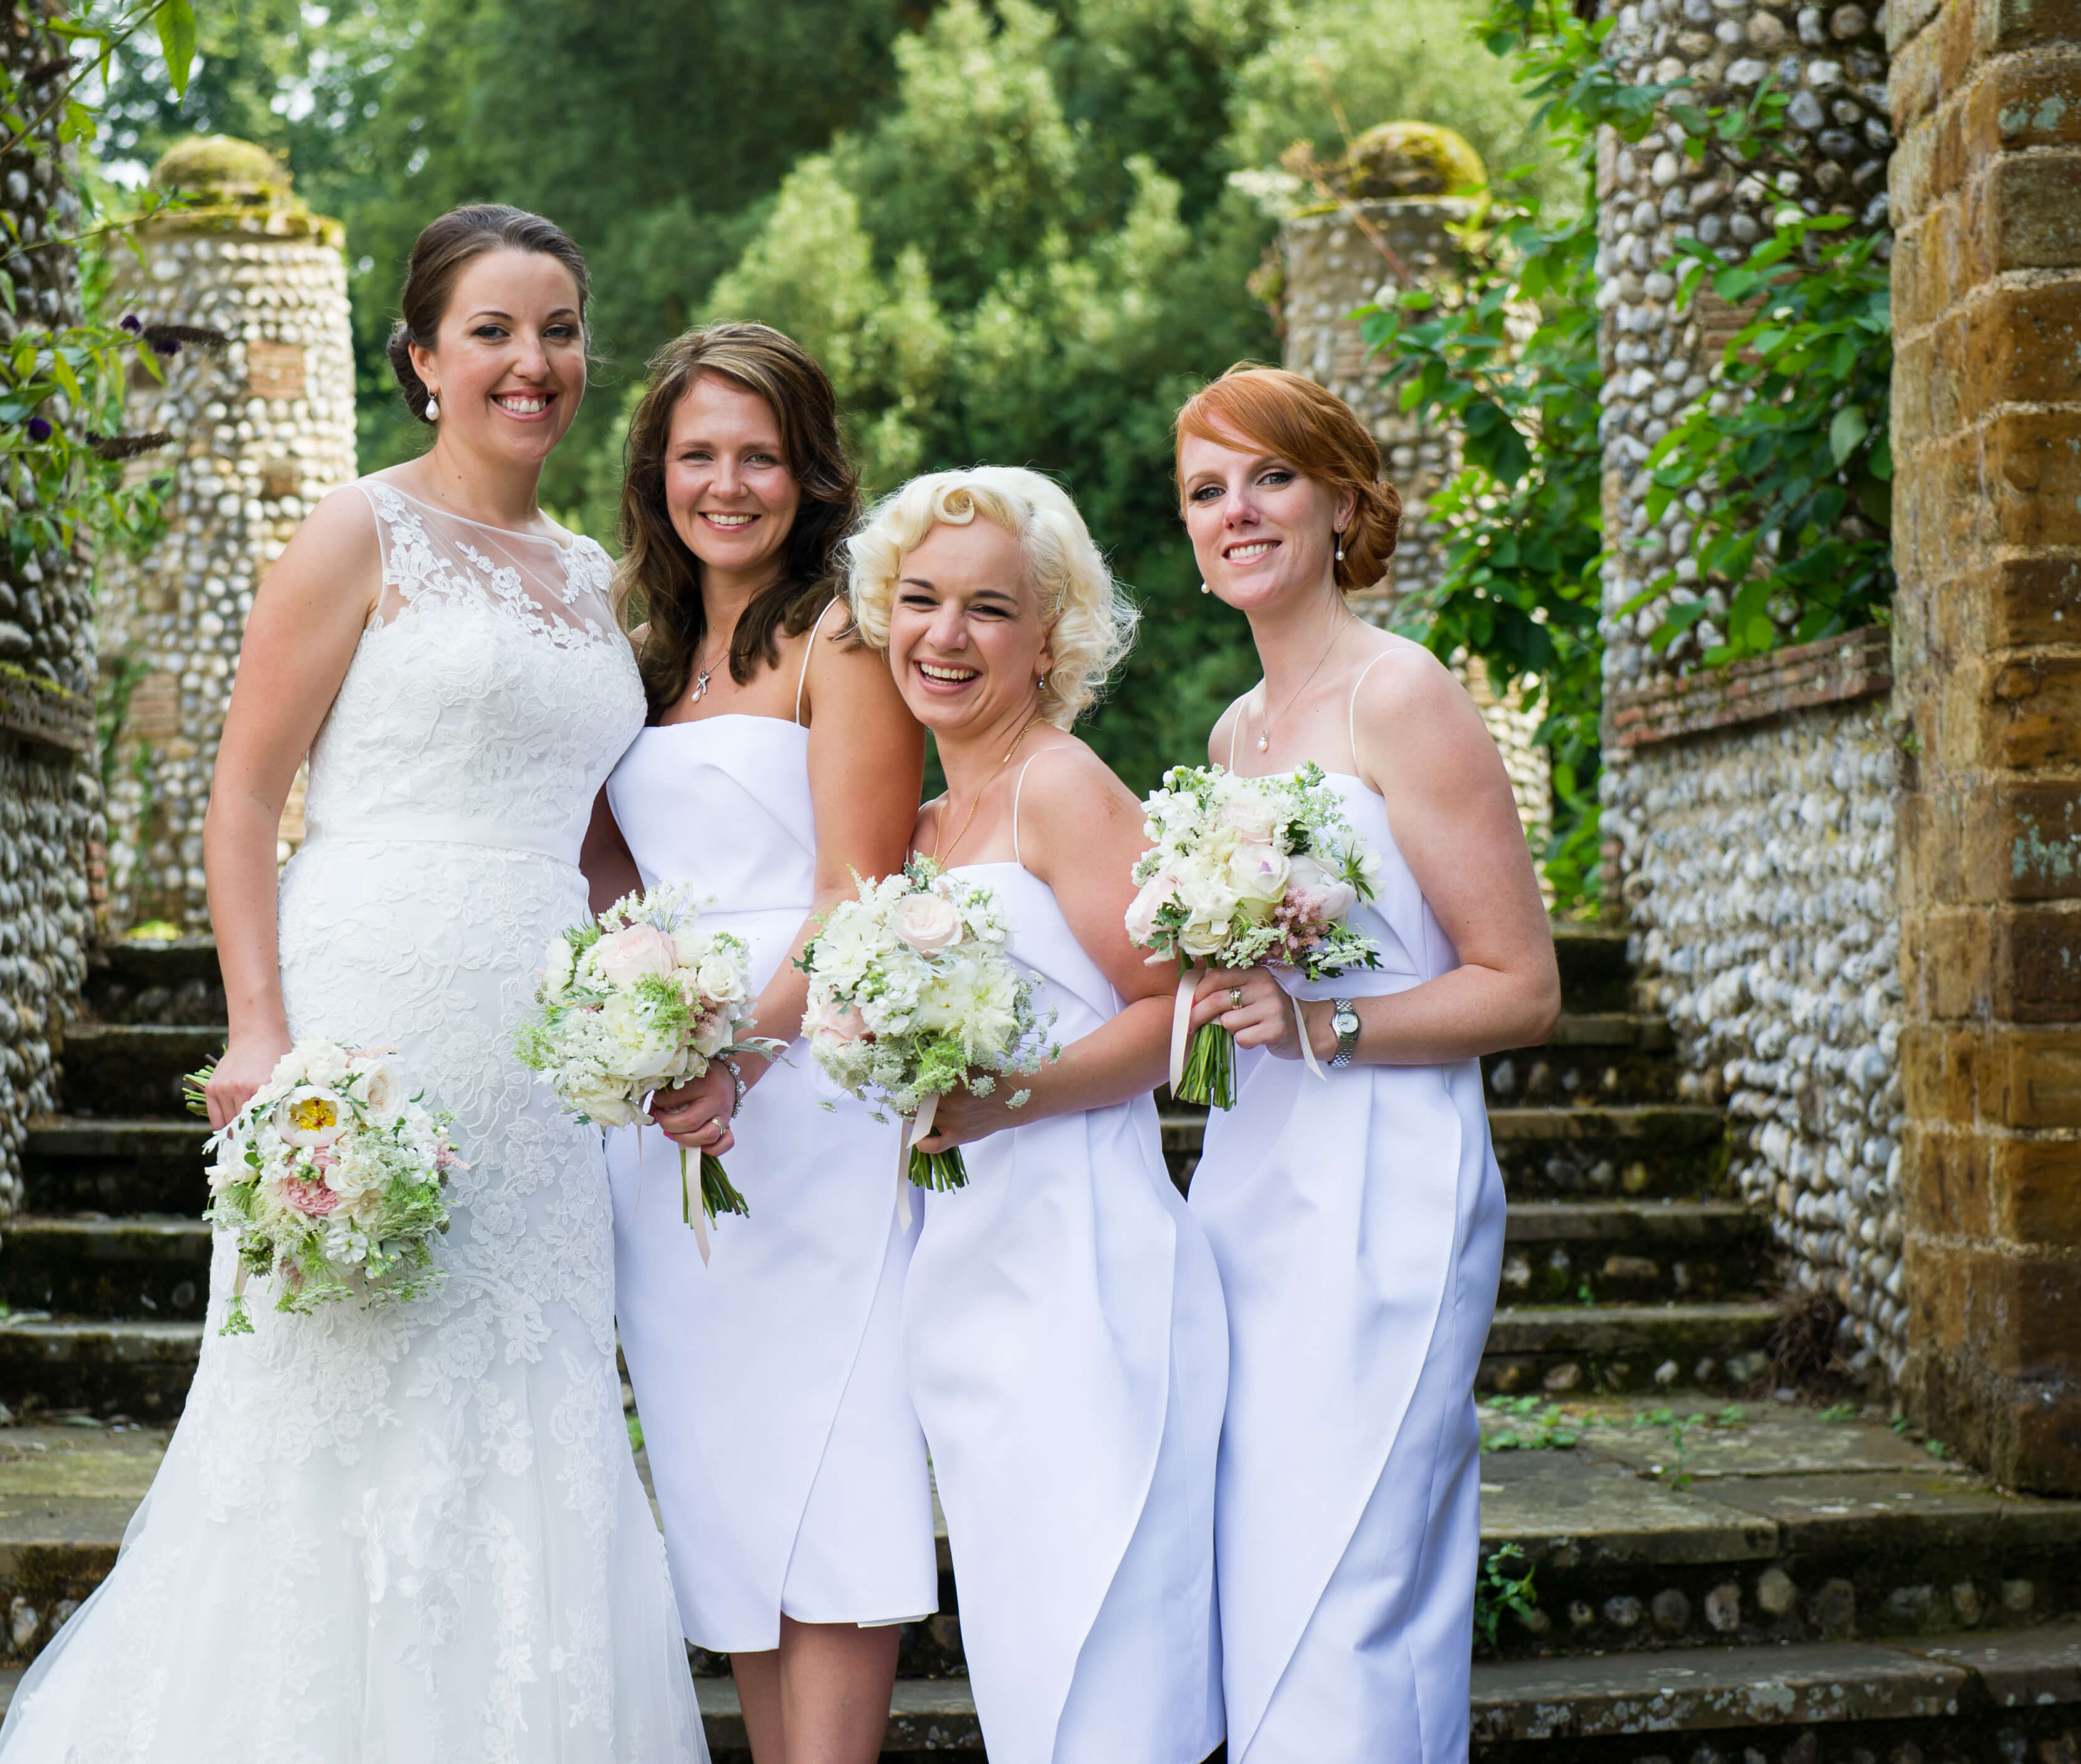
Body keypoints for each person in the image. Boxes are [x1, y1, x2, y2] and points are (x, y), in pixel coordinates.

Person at [0, 205, 708, 1763]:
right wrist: (259, 1031)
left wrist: (664, 990)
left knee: (528, 1385)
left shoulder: (591, 576)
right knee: (336, 1390)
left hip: (540, 1055)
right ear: (423, 360)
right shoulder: (353, 533)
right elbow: (243, 796)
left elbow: (593, 838)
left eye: (561, 330)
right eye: (495, 333)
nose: (536, 363)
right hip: (370, 1004)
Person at [1173, 365, 1558, 1763]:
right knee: (1262, 1552)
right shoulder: (1234, 735)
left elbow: (1521, 988)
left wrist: (1330, 1025)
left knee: (1359, 1568)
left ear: (1341, 498)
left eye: (1269, 477)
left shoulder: (1404, 695)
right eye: (1207, 492)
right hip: (1254, 1181)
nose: (1238, 512)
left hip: (1385, 1179)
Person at [596, 323, 937, 1764]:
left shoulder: (839, 634)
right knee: (719, 1463)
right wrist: (628, 1021)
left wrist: (738, 1051)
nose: (727, 484)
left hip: (803, 1097)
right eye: (698, 455)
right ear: (655, 471)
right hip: (663, 1107)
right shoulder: (635, 648)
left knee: (835, 1448)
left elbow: (856, 889)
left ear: (810, 474)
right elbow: (608, 872)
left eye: (760, 456)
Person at [850, 467, 1227, 1764]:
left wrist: (1004, 1102)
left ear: (1050, 637)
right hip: (963, 1282)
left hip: (1085, 1270)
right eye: (919, 601)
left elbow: (1175, 1014)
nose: (944, 638)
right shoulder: (918, 831)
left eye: (988, 610)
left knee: (1104, 1640)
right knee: (1024, 1647)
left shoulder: (1062, 787)